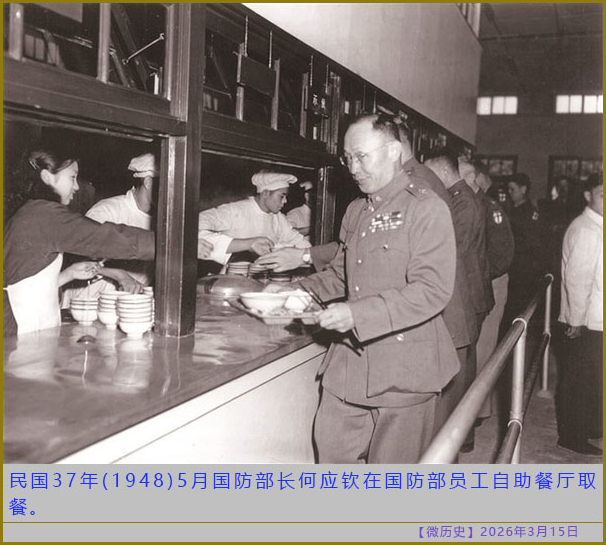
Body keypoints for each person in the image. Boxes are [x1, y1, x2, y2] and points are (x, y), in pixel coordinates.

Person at [279, 113, 459, 463]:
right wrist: (295, 291)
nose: (353, 168)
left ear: (393, 151)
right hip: (350, 366)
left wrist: (355, 314)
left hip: (405, 372)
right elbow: (341, 274)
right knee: (331, 457)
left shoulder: (426, 208)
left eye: (361, 156)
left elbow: (432, 290)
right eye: (348, 158)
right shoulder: (356, 210)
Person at [3, 148, 155, 337]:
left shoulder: (34, 210)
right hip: (18, 327)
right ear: (47, 177)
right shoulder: (45, 214)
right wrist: (168, 244)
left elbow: (25, 280)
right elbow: (104, 238)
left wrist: (69, 274)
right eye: (72, 177)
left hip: (25, 324)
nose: (76, 186)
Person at [425, 150, 494, 452]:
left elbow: (453, 250)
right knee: (463, 370)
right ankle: (461, 438)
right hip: (471, 292)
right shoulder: (462, 197)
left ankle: (458, 439)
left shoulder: (461, 202)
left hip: (466, 295)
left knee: (460, 375)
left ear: (442, 172)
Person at [62, 153, 158, 304]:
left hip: (131, 305)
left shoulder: (163, 219)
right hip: (88, 302)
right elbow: (76, 259)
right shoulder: (108, 211)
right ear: (148, 182)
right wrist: (120, 275)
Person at [460, 158, 514, 422]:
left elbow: (503, 256)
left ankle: (478, 411)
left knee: (482, 348)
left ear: (473, 178)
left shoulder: (489, 208)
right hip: (475, 283)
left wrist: (479, 276)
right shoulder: (468, 204)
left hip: (490, 284)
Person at [555, 173, 602, 456]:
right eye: (602, 195)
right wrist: (576, 321)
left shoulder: (596, 226)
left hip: (593, 318)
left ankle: (590, 427)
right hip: (585, 321)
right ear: (588, 195)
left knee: (592, 378)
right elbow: (578, 279)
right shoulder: (587, 230)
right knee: (579, 381)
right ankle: (572, 436)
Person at [197, 170, 311, 265]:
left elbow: (298, 241)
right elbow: (195, 224)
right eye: (281, 196)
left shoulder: (278, 218)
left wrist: (312, 258)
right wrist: (248, 243)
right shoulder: (236, 210)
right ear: (265, 193)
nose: (285, 201)